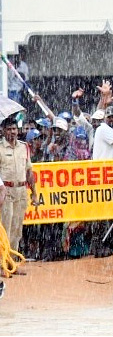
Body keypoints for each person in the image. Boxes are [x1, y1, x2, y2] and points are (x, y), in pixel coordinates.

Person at [0, 116, 37, 273]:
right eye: (9, 129)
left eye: (14, 129)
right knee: (5, 229)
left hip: (21, 191)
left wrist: (34, 193)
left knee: (17, 230)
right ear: (3, 131)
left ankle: (12, 263)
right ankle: (2, 263)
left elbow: (29, 171)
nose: (12, 132)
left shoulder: (24, 147)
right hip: (5, 192)